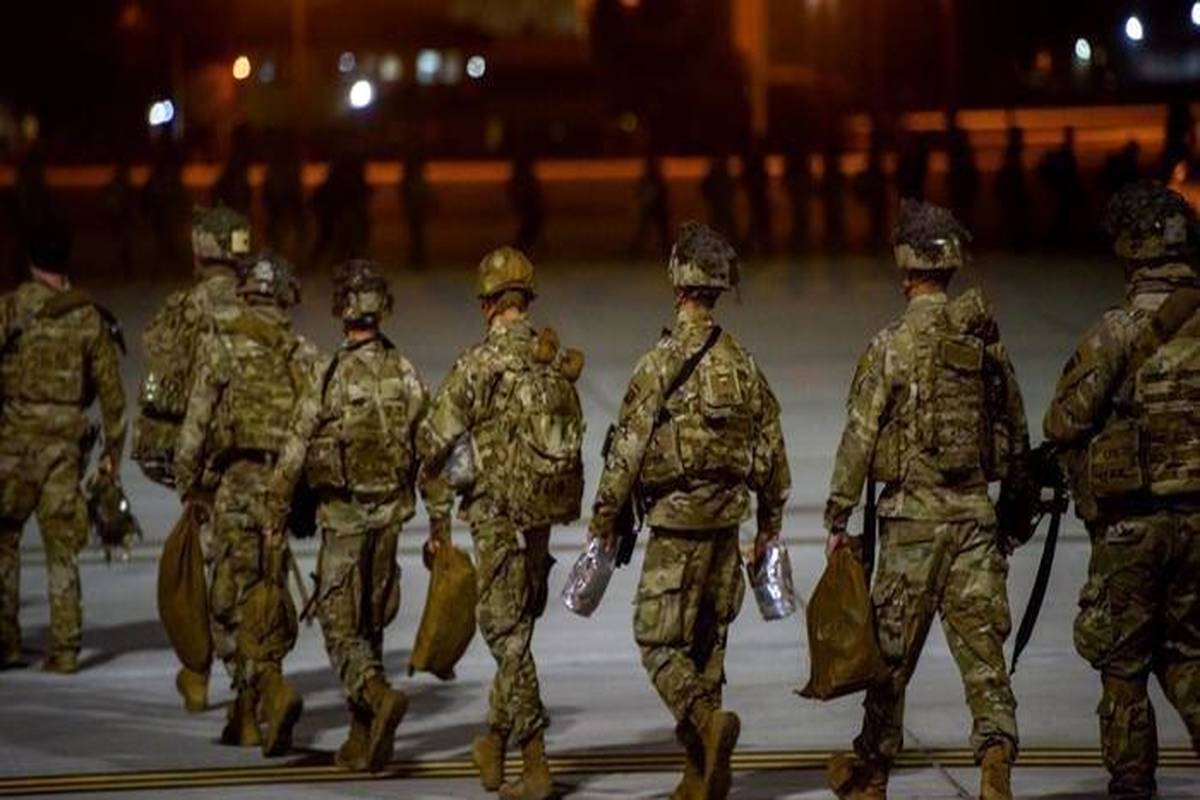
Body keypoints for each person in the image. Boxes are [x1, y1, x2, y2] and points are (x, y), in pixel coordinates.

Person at [824, 199, 1029, 800]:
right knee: (983, 656)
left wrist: (837, 514)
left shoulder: (891, 344)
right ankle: (995, 763)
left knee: (889, 660)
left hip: (911, 525)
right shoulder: (984, 344)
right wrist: (1011, 514)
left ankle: (872, 775)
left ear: (906, 271)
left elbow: (859, 437)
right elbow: (1015, 431)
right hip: (974, 521)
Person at [588, 221, 790, 800]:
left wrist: (604, 518)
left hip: (676, 527)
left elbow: (627, 452)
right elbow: (773, 451)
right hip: (726, 525)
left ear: (678, 286)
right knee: (707, 650)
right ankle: (700, 775)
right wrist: (769, 526)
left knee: (656, 642)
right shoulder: (744, 364)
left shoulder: (659, 363)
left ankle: (705, 720)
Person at [1043, 181, 1200, 798]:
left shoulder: (1118, 331)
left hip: (1132, 528)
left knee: (1124, 660)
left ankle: (1132, 783)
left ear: (1131, 253)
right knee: (1189, 652)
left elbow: (1063, 422)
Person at [417, 246, 585, 800]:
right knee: (518, 623)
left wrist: (434, 494)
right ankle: (493, 740)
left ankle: (535, 761)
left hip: (496, 516)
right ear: (525, 301)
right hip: (539, 515)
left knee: (503, 632)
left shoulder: (478, 364)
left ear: (487, 304)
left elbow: (434, 438)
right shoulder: (549, 358)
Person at [265, 260, 446, 772]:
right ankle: (362, 738)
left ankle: (376, 694)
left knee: (340, 628)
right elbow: (432, 454)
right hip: (390, 521)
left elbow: (294, 451)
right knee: (371, 625)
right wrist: (439, 525)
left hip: (343, 520)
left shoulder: (328, 375)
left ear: (342, 309)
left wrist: (275, 513)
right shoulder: (404, 372)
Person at [174, 252, 317, 756]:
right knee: (268, 596)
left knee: (229, 601)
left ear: (246, 294)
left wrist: (189, 483)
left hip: (236, 485)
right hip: (282, 488)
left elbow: (195, 425)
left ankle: (263, 694)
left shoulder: (222, 346)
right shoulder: (302, 354)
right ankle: (253, 708)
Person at [134, 205, 252, 713]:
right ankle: (247, 674)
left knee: (208, 569)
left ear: (201, 251)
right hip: (251, 457)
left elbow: (159, 377)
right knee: (247, 565)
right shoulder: (258, 305)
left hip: (197, 458)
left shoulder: (181, 309)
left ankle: (207, 675)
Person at [0, 217, 126, 673]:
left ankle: (6, 642)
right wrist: (112, 455)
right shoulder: (87, 316)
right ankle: (66, 647)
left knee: (4, 542)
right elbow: (112, 396)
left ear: (30, 258)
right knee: (61, 547)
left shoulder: (10, 309)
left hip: (13, 446)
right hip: (64, 450)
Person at [628, 154, 671, 258]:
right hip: (654, 207)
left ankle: (637, 249)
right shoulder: (653, 177)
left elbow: (645, 191)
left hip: (655, 207)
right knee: (653, 230)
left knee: (656, 230)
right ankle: (637, 249)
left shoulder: (653, 177)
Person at [400, 153, 434, 267]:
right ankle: (417, 258)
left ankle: (416, 258)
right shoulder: (414, 181)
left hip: (415, 209)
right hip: (415, 209)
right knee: (417, 235)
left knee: (416, 234)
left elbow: (406, 193)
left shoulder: (410, 180)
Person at [701, 156, 737, 243]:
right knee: (720, 222)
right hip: (719, 205)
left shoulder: (719, 176)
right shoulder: (717, 176)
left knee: (723, 222)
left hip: (721, 204)